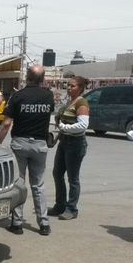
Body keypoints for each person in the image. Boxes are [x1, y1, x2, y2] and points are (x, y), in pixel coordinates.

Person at [0, 65, 54, 235]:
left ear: (27, 78)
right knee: (38, 185)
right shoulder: (48, 96)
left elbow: (6, 123)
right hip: (40, 145)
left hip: (20, 144)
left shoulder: (17, 96)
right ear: (42, 79)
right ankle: (44, 224)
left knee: (19, 183)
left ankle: (17, 223)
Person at [48, 76, 90, 220]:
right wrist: (56, 138)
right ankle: (60, 205)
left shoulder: (81, 103)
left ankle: (72, 209)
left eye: (73, 86)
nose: (69, 88)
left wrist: (63, 127)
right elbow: (64, 123)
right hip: (64, 142)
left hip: (75, 144)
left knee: (73, 178)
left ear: (80, 88)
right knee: (57, 173)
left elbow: (83, 125)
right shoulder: (70, 102)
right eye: (68, 85)